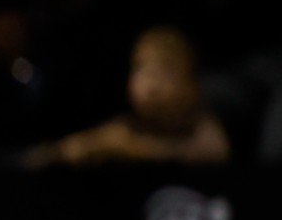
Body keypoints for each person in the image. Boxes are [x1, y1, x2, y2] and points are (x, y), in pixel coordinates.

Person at [23, 24, 231, 167]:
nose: (152, 87)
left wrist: (134, 149)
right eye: (141, 70)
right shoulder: (127, 127)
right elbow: (77, 148)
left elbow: (213, 152)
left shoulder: (200, 125)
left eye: (166, 72)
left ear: (192, 84)